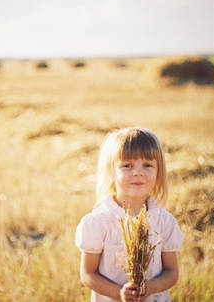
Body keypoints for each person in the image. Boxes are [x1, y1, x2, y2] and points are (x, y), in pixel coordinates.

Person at [75, 127, 183, 302]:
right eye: (127, 165)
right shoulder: (99, 221)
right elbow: (88, 274)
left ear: (159, 171)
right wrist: (118, 293)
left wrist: (151, 287)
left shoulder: (164, 221)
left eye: (147, 165)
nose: (138, 172)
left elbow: (172, 272)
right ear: (112, 171)